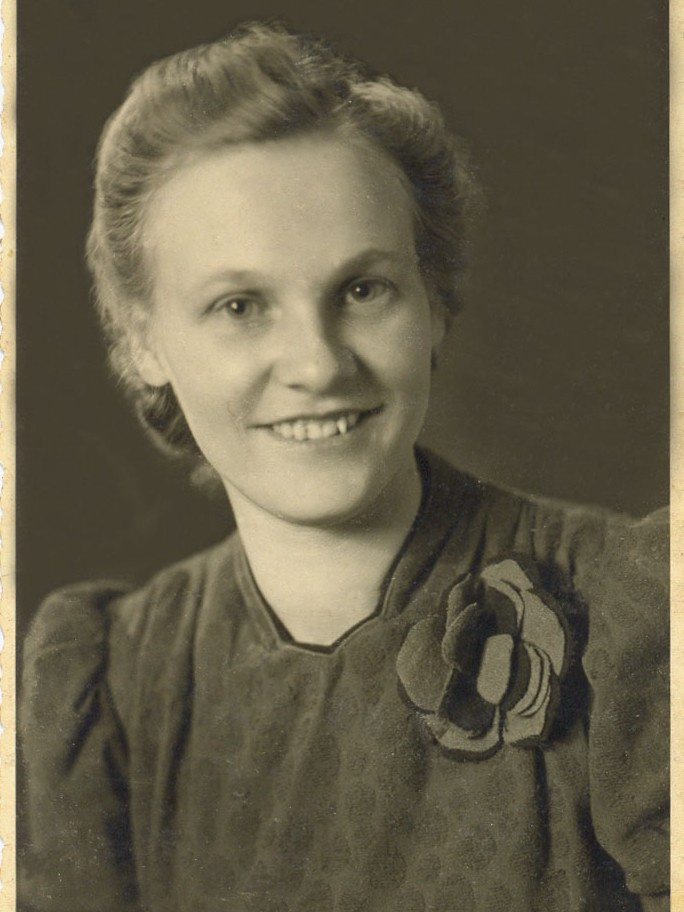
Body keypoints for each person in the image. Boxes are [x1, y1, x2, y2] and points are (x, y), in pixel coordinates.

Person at [19, 21, 669, 912]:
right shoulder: (111, 687)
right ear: (143, 341)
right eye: (240, 306)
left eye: (363, 290)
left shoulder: (630, 611)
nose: (319, 364)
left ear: (434, 301)